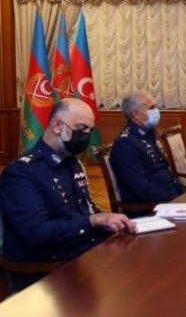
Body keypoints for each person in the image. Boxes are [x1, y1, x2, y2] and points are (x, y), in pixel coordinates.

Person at [0, 99, 137, 291]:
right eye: (81, 128)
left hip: (82, 256)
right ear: (57, 125)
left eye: (89, 130)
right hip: (46, 274)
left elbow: (84, 210)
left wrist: (110, 222)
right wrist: (94, 221)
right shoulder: (23, 172)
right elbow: (36, 232)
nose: (86, 136)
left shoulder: (71, 163)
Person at [110, 91, 186, 215]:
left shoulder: (147, 134)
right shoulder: (125, 144)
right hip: (150, 209)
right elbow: (140, 186)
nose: (157, 111)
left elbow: (161, 169)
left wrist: (182, 193)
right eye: (152, 108)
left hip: (169, 198)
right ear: (136, 114)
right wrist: (173, 200)